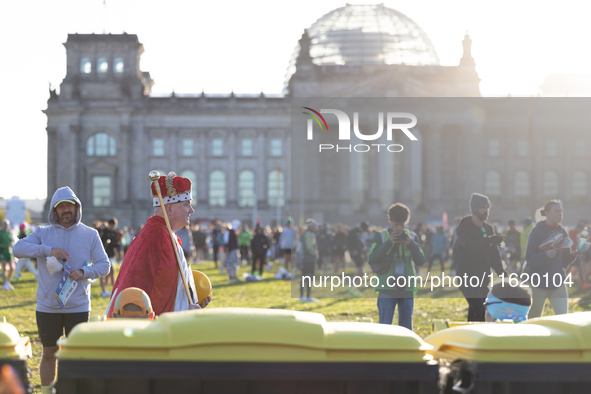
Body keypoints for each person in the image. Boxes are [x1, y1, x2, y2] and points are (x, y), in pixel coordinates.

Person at [13, 187, 111, 394]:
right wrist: (48, 250)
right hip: (48, 306)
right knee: (49, 353)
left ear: (77, 207)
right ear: (54, 211)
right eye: (61, 206)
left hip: (78, 305)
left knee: (77, 355)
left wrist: (83, 272)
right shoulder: (42, 233)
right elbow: (17, 249)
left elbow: (105, 265)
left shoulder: (90, 234)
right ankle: (48, 392)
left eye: (69, 205)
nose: (66, 210)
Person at [107, 173, 211, 318]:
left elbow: (167, 289)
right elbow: (154, 297)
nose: (191, 210)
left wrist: (194, 298)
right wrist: (185, 312)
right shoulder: (158, 237)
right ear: (169, 209)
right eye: (186, 204)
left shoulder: (162, 233)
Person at [369, 203, 425, 330]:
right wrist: (389, 243)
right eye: (396, 225)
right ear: (389, 220)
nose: (399, 229)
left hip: (407, 286)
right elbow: (372, 258)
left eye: (402, 225)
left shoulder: (413, 237)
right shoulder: (381, 236)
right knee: (385, 326)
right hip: (386, 286)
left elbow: (421, 261)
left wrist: (411, 244)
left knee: (406, 328)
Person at [453, 193, 505, 322]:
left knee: (479, 310)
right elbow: (469, 246)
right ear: (475, 209)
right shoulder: (463, 228)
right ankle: (477, 337)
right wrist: (489, 240)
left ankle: (469, 335)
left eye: (487, 207)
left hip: (483, 278)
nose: (486, 211)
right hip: (467, 278)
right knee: (480, 310)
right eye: (483, 207)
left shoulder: (488, 229)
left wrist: (503, 275)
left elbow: (494, 255)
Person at [525, 200, 581, 319]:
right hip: (537, 283)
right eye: (557, 211)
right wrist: (545, 255)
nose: (560, 214)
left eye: (561, 211)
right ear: (547, 213)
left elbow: (564, 261)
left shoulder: (562, 232)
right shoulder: (536, 231)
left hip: (557, 281)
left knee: (563, 318)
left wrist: (574, 254)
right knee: (533, 320)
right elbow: (529, 259)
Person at [299, 219, 319, 303]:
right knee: (308, 277)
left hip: (305, 259)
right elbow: (309, 247)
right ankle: (307, 296)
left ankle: (303, 296)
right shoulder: (309, 234)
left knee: (304, 277)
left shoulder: (306, 234)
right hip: (308, 259)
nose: (315, 227)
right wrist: (315, 255)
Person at [100, 217, 120, 297]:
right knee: (103, 273)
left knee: (111, 272)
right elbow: (101, 244)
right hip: (104, 255)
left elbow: (116, 243)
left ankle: (113, 290)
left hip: (111, 255)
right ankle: (104, 290)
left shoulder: (114, 232)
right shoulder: (103, 232)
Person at [346, 223, 366, 295]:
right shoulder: (352, 232)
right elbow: (347, 242)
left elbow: (359, 242)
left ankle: (356, 288)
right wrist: (352, 250)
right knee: (361, 271)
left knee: (361, 272)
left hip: (360, 253)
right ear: (360, 226)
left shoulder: (359, 232)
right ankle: (353, 287)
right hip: (355, 254)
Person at [0, 220, 15, 290]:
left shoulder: (9, 232)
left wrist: (12, 243)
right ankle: (4, 283)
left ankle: (8, 282)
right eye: (5, 224)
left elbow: (11, 240)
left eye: (7, 225)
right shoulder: (0, 233)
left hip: (9, 252)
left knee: (12, 268)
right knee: (5, 268)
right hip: (2, 252)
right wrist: (6, 245)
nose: (6, 226)